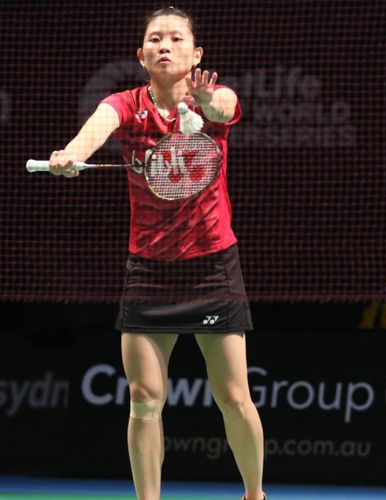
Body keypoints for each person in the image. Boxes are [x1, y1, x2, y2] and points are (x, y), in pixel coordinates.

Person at [45, 7, 265, 500]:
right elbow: (96, 129)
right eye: (155, 39)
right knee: (144, 399)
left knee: (232, 396)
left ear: (196, 53)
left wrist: (208, 101)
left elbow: (225, 108)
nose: (165, 46)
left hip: (212, 264)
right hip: (148, 269)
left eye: (176, 39)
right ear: (141, 55)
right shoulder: (125, 104)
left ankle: (255, 495)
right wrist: (72, 155)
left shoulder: (215, 96)